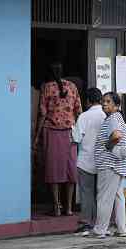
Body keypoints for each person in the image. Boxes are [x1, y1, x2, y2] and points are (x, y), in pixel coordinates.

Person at [34, 62, 82, 216]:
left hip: (52, 133)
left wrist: (36, 137)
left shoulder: (46, 87)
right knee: (70, 171)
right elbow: (79, 111)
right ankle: (68, 208)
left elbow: (42, 114)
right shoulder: (73, 87)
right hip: (69, 133)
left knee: (53, 170)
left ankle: (56, 208)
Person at [86, 92, 126, 238]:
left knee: (104, 198)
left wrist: (108, 146)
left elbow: (116, 135)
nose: (104, 104)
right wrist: (123, 149)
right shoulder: (119, 118)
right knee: (118, 197)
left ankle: (100, 230)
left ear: (117, 106)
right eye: (103, 101)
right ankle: (121, 229)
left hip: (109, 165)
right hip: (119, 164)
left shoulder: (113, 118)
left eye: (108, 102)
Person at [72, 88, 106, 233]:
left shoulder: (84, 117)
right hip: (103, 161)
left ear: (88, 101)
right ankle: (100, 223)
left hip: (86, 161)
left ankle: (86, 223)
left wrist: (72, 128)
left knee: (86, 193)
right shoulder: (106, 115)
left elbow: (77, 138)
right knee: (101, 194)